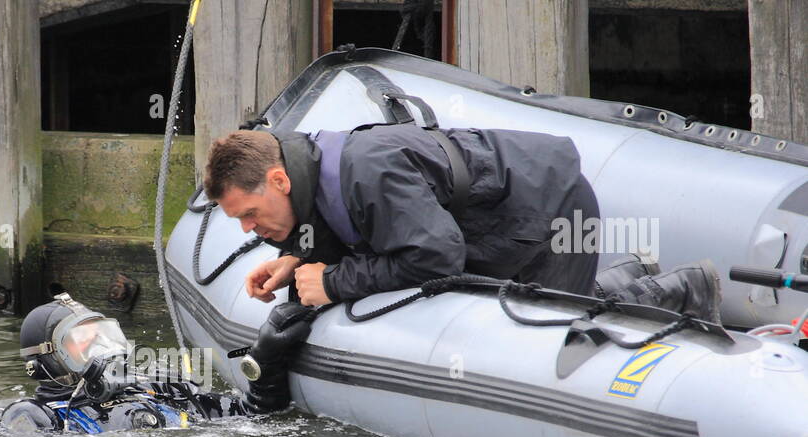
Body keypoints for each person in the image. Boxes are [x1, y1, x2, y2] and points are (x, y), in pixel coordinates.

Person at [203, 126, 721, 322]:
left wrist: (334, 282)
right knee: (527, 304)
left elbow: (436, 258)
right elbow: (356, 227)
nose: (249, 229)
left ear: (278, 179)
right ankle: (633, 273)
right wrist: (298, 261)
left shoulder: (367, 172)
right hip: (493, 219)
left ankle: (685, 288)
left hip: (547, 209)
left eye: (250, 213)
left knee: (556, 329)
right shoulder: (311, 167)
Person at [0, 292, 312, 434]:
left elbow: (254, 416)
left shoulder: (157, 390)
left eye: (105, 335)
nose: (103, 349)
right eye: (83, 342)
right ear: (47, 360)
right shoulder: (38, 416)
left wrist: (264, 363)